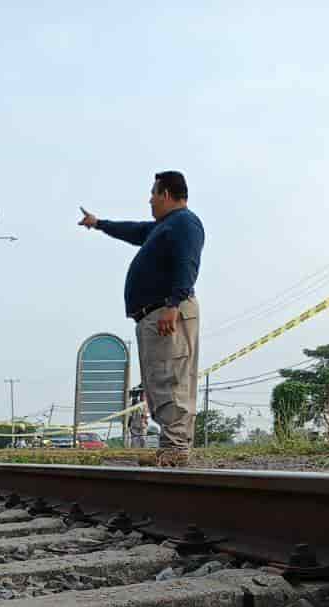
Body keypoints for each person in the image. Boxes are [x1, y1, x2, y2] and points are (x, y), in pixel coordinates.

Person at [79, 171, 204, 467]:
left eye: (153, 193)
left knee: (171, 378)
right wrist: (99, 224)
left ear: (166, 194)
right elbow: (134, 230)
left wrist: (173, 304)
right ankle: (171, 447)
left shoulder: (185, 223)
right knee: (160, 382)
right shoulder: (162, 228)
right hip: (155, 312)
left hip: (167, 311)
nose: (149, 200)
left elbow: (188, 262)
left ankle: (176, 448)